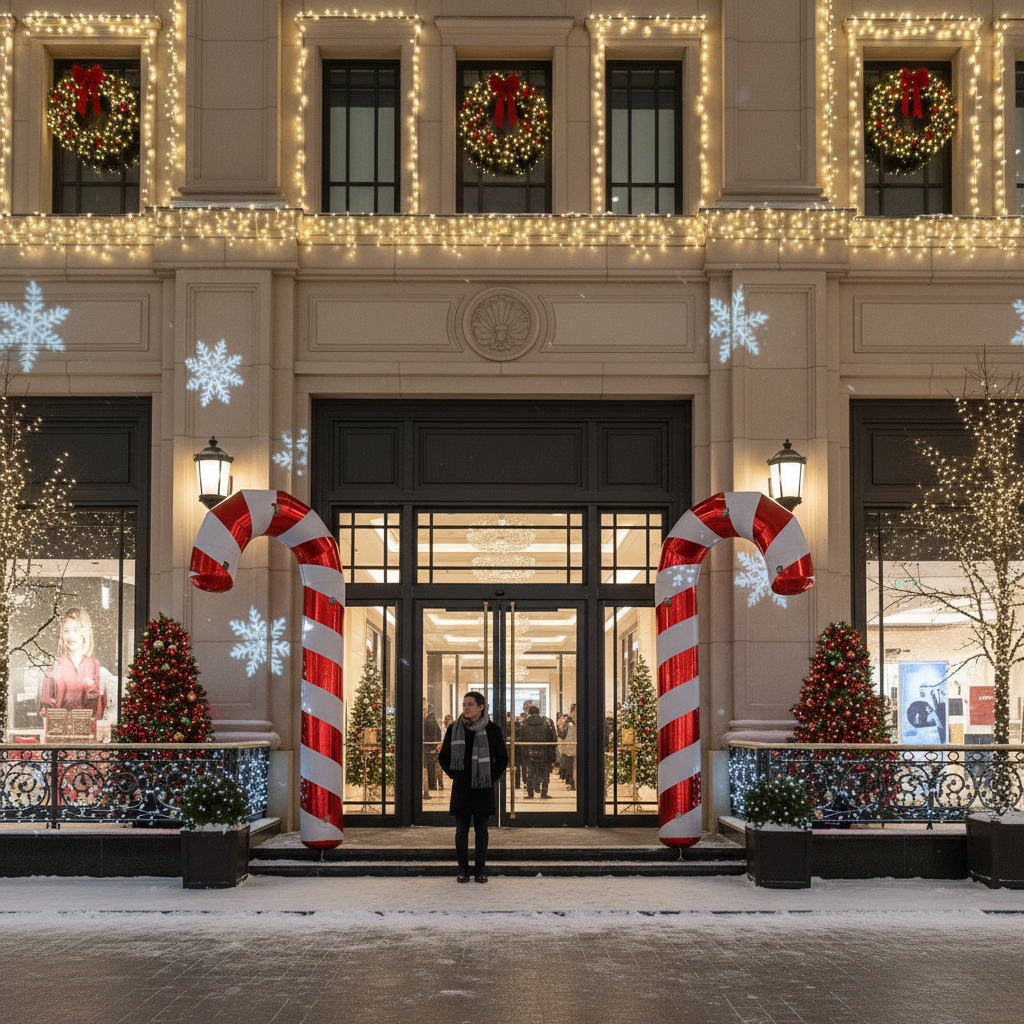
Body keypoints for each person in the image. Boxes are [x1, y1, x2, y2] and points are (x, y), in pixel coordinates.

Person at [438, 691, 508, 883]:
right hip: (461, 788)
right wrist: (456, 775)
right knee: (461, 830)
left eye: (470, 704)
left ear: (481, 707)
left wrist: (488, 778)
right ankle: (462, 869)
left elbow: (502, 759)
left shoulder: (493, 730)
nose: (466, 708)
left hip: (483, 788)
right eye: (464, 704)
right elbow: (443, 757)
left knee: (481, 831)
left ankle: (480, 870)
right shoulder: (455, 729)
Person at [40, 608, 105, 732]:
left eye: (76, 630)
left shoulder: (93, 664)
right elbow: (46, 703)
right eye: (66, 631)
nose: (70, 636)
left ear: (84, 632)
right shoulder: (55, 665)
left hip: (86, 731)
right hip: (58, 731)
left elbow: (98, 707)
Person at [519, 703, 557, 799]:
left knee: (530, 773)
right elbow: (552, 737)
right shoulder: (546, 722)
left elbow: (521, 738)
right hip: (544, 752)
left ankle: (530, 794)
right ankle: (544, 793)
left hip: (529, 752)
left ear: (529, 713)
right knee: (544, 773)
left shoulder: (525, 724)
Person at [422, 702, 442, 798]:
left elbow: (435, 734)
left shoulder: (431, 720)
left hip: (429, 748)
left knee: (429, 767)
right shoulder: (426, 719)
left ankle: (430, 786)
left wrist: (434, 746)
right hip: (425, 748)